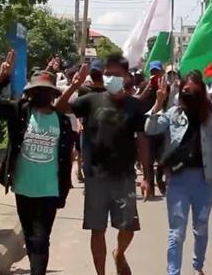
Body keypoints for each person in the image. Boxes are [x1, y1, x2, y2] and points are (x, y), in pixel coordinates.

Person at [56, 54, 153, 275]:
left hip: (125, 176)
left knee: (128, 227)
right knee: (97, 229)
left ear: (126, 76)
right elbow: (60, 107)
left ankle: (119, 253)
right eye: (107, 74)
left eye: (116, 75)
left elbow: (143, 141)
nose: (110, 78)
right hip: (95, 176)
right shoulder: (91, 100)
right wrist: (74, 86)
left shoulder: (134, 105)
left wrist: (147, 176)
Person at [0, 50, 73, 275]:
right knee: (30, 237)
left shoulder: (62, 122)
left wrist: (64, 190)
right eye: (37, 91)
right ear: (30, 93)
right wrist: (1, 78)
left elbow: (66, 159)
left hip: (50, 191)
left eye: (45, 91)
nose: (41, 94)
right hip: (23, 188)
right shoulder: (19, 112)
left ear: (52, 95)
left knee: (41, 239)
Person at [145, 71, 212, 275]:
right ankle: (173, 272)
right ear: (180, 91)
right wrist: (158, 104)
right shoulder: (173, 114)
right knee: (176, 233)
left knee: (200, 229)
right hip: (178, 181)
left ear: (202, 92)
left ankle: (197, 267)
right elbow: (150, 129)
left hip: (204, 182)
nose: (190, 95)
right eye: (186, 91)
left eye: (194, 92)